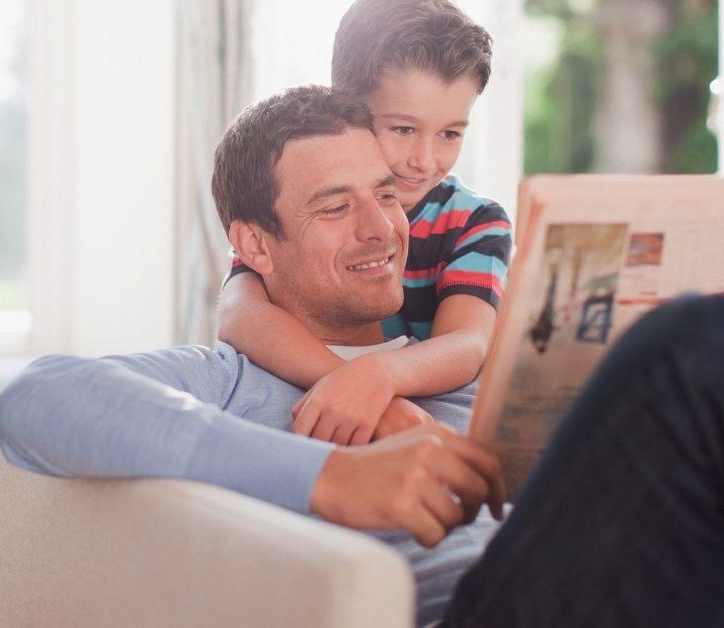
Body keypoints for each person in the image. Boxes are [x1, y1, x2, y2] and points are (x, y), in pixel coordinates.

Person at [0, 86, 724, 626]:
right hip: (484, 616)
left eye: (387, 193)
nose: (384, 227)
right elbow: (38, 400)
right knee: (689, 353)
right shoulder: (232, 379)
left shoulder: (454, 359)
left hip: (679, 605)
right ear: (254, 246)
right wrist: (331, 479)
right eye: (336, 207)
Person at [216, 0, 512, 447]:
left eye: (450, 133)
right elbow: (240, 316)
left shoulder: (474, 220)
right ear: (347, 112)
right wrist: (352, 384)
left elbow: (467, 344)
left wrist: (377, 377)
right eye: (403, 129)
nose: (425, 160)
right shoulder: (289, 216)